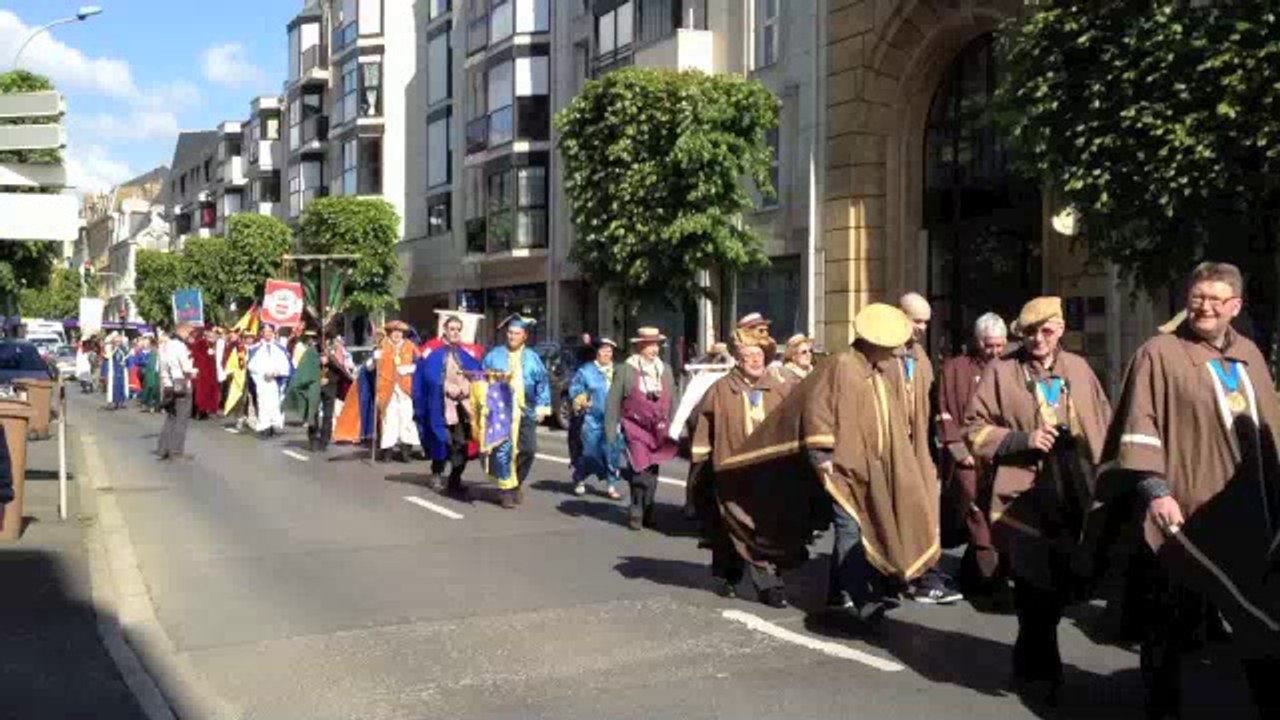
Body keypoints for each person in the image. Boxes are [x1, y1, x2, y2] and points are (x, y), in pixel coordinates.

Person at [1095, 262, 1280, 719]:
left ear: (1235, 306)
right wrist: (1156, 490)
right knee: (1167, 628)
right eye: (1197, 297)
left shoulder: (1251, 355)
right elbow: (1140, 423)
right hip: (1179, 517)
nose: (1204, 307)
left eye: (1216, 299)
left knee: (1259, 621)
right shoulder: (1159, 353)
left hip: (1249, 516)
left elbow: (1272, 429)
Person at [712, 303, 942, 633]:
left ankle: (838, 593)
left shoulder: (875, 372)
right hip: (840, 469)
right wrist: (823, 459)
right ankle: (863, 600)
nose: (895, 351)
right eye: (890, 345)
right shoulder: (842, 366)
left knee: (862, 528)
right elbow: (816, 410)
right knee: (850, 529)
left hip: (868, 470)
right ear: (875, 343)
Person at [964, 296, 1111, 703]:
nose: (1038, 340)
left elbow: (1103, 421)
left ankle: (1031, 661)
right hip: (1022, 498)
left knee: (1061, 586)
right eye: (1029, 332)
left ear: (1060, 329)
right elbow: (973, 428)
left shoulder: (1079, 369)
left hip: (1073, 496)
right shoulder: (1001, 371)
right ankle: (1040, 673)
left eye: (1046, 331)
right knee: (1033, 586)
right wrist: (1022, 439)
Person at [691, 318, 789, 607]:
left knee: (766, 528)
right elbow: (701, 425)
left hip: (769, 474)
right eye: (749, 356)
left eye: (760, 355)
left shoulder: (779, 390)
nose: (756, 361)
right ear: (738, 359)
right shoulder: (721, 390)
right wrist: (701, 461)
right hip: (730, 471)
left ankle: (770, 583)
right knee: (731, 526)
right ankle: (727, 575)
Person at [894, 292, 962, 605]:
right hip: (891, 448)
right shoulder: (882, 354)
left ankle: (925, 572)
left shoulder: (920, 356)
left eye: (925, 322)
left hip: (919, 447)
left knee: (924, 510)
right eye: (917, 321)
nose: (922, 328)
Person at [937, 311, 1009, 597]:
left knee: (997, 514)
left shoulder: (1011, 367)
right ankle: (989, 583)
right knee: (976, 512)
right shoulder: (955, 369)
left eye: (1000, 345)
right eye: (990, 345)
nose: (995, 351)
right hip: (967, 456)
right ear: (978, 341)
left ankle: (974, 573)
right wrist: (958, 450)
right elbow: (943, 411)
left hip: (1001, 454)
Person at [606, 327, 679, 531]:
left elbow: (673, 399)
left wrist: (675, 426)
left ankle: (649, 508)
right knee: (639, 470)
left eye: (656, 345)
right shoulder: (625, 369)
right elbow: (613, 401)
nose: (654, 349)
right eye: (649, 345)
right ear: (639, 346)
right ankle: (636, 510)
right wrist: (610, 432)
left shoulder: (665, 369)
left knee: (652, 471)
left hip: (659, 429)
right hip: (635, 428)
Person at [480, 315, 551, 505]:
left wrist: (542, 407)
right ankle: (505, 490)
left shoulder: (533, 357)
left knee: (528, 449)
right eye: (510, 333)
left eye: (516, 333)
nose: (512, 336)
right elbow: (482, 379)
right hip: (500, 410)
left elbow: (542, 382)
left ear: (524, 336)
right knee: (503, 451)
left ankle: (516, 482)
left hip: (525, 410)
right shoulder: (494, 355)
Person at [415, 315, 482, 495]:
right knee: (441, 440)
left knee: (461, 443)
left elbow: (477, 374)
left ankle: (455, 478)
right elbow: (428, 376)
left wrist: (468, 387)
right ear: (445, 330)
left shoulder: (465, 353)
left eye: (458, 329)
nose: (455, 332)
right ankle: (436, 473)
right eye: (452, 329)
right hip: (439, 405)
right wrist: (445, 386)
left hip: (461, 407)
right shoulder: (433, 353)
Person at [568, 338, 623, 499]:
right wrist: (580, 398)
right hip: (591, 418)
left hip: (613, 418)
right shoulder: (586, 371)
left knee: (612, 451)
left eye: (609, 351)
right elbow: (575, 388)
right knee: (590, 452)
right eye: (603, 350)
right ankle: (579, 477)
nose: (607, 354)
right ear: (597, 352)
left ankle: (611, 484)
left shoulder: (618, 371)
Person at [377, 320, 421, 463]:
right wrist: (374, 359)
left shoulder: (410, 346)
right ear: (389, 333)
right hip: (386, 389)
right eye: (394, 331)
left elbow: (421, 364)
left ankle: (406, 452)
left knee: (406, 419)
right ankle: (387, 452)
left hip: (405, 389)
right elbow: (371, 368)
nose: (397, 334)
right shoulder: (382, 345)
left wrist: (410, 368)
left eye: (400, 331)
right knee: (389, 420)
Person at [157, 323, 198, 461]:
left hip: (169, 384)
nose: (189, 336)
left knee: (171, 417)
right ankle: (176, 451)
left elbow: (162, 367)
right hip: (181, 384)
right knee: (181, 418)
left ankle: (163, 448)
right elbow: (186, 368)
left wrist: (166, 382)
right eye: (189, 333)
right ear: (182, 331)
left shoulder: (164, 346)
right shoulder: (180, 346)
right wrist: (195, 370)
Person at [248, 324, 290, 437]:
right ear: (262, 333)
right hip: (262, 381)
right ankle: (264, 427)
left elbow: (286, 365)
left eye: (270, 331)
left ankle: (273, 426)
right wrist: (262, 373)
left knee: (275, 404)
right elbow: (251, 366)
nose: (268, 334)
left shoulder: (279, 348)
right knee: (263, 403)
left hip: (276, 381)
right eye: (266, 331)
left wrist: (277, 372)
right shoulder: (255, 348)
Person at [285, 332, 323, 449]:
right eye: (309, 338)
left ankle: (321, 437)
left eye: (314, 338)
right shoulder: (303, 349)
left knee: (322, 412)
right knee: (312, 409)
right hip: (309, 382)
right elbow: (297, 365)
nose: (311, 340)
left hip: (324, 383)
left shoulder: (325, 349)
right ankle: (313, 436)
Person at [189, 328, 221, 419]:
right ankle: (198, 412)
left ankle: (204, 411)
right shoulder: (200, 343)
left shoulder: (213, 344)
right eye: (212, 336)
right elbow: (196, 356)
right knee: (200, 392)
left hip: (210, 373)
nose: (214, 338)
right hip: (202, 372)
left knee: (207, 392)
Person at [104, 334, 128, 410]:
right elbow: (107, 358)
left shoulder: (123, 349)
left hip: (121, 370)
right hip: (113, 370)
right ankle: (113, 402)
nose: (117, 343)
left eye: (119, 341)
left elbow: (127, 359)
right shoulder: (111, 349)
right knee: (113, 386)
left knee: (122, 385)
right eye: (116, 341)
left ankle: (122, 401)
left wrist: (125, 363)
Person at [140, 334, 163, 413]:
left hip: (156, 373)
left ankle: (154, 406)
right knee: (150, 388)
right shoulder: (152, 352)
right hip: (152, 373)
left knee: (155, 389)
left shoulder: (156, 352)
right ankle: (149, 405)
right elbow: (150, 364)